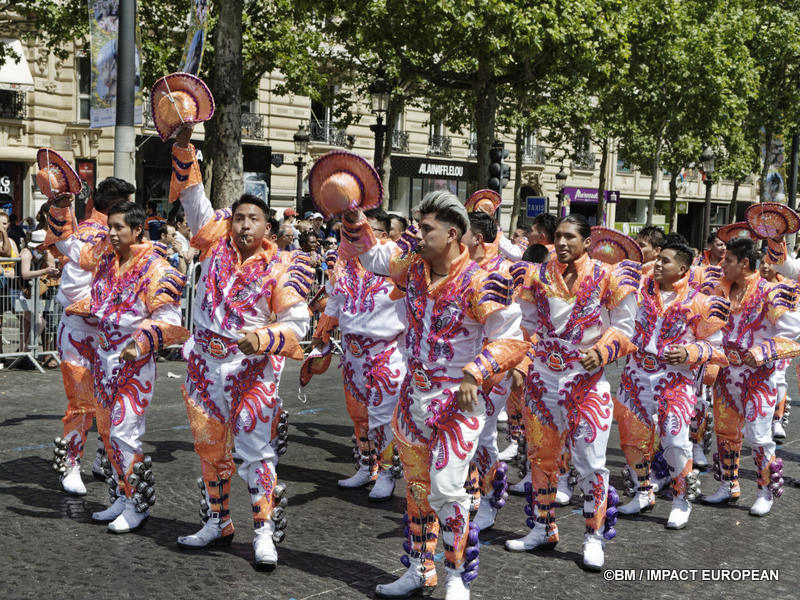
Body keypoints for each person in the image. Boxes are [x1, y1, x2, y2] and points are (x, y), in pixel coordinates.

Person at [339, 191, 527, 600]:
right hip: (413, 396)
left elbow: (511, 339)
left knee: (447, 489)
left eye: (426, 229)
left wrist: (475, 373)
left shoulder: (482, 280)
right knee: (418, 490)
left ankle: (457, 576)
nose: (417, 236)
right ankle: (421, 569)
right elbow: (375, 259)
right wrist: (355, 217)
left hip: (458, 402)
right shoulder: (413, 270)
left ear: (453, 233)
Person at [167, 126, 312, 567]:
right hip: (203, 365)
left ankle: (263, 532)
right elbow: (193, 198)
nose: (244, 224)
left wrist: (260, 339)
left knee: (256, 454)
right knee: (210, 448)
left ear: (268, 226)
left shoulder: (285, 267)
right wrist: (182, 146)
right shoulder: (212, 246)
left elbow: (297, 323)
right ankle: (218, 521)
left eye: (254, 219)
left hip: (251, 370)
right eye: (239, 217)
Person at [505, 214, 639, 570]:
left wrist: (603, 351)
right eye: (558, 237)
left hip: (586, 382)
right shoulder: (535, 275)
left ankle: (594, 536)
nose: (562, 243)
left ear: (587, 241)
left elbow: (626, 330)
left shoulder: (609, 277)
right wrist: (522, 362)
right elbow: (528, 325)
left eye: (570, 237)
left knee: (591, 464)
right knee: (541, 456)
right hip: (543, 379)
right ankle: (543, 527)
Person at [47, 197, 189, 532]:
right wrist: (57, 209)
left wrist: (138, 343)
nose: (110, 233)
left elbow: (169, 319)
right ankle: (122, 498)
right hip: (103, 361)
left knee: (126, 433)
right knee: (109, 433)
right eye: (109, 226)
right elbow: (71, 249)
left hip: (134, 366)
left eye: (118, 227)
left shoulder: (157, 268)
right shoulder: (107, 261)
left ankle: (137, 504)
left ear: (138, 230)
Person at [614, 242, 729, 529]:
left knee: (676, 441)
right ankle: (642, 492)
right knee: (631, 438)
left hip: (674, 379)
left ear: (683, 268)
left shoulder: (700, 302)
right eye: (658, 259)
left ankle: (681, 499)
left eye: (666, 261)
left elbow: (716, 347)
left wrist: (689, 353)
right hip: (635, 373)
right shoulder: (638, 292)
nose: (658, 265)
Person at [700, 237, 800, 516]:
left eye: (728, 261)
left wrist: (762, 352)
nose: (723, 265)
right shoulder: (720, 289)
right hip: (726, 374)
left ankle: (765, 489)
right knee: (725, 433)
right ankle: (728, 485)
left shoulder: (771, 292)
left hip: (758, 379)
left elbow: (792, 334)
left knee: (757, 437)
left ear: (744, 263)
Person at [311, 207, 405, 501]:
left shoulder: (397, 260)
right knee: (358, 414)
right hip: (352, 351)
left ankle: (388, 472)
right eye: (354, 230)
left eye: (368, 231)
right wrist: (322, 333)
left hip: (386, 350)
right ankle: (367, 466)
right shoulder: (344, 261)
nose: (359, 237)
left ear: (384, 235)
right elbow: (335, 298)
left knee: (381, 415)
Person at [460, 211, 518, 531]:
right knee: (464, 433)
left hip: (492, 369)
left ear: (477, 239)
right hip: (460, 368)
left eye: (461, 234)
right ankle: (472, 488)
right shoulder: (460, 270)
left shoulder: (503, 272)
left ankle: (491, 498)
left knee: (482, 434)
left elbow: (512, 332)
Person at [758, 259, 793, 442]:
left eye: (769, 263)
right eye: (761, 263)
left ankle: (776, 420)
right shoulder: (752, 286)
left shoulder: (788, 286)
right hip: (756, 343)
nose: (764, 267)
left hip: (779, 342)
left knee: (778, 379)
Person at [18, 229, 60, 363]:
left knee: (28, 325)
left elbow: (51, 267)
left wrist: (54, 271)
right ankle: (26, 351)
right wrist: (45, 271)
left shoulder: (46, 253)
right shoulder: (26, 252)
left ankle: (23, 355)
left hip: (35, 294)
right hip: (22, 292)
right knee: (39, 323)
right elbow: (25, 273)